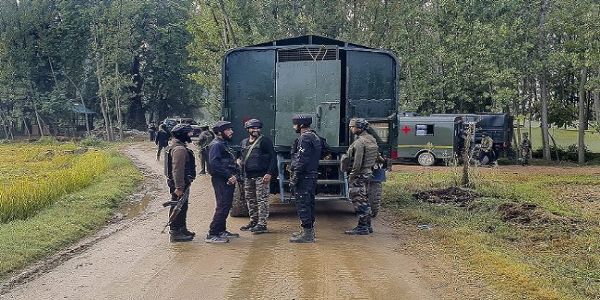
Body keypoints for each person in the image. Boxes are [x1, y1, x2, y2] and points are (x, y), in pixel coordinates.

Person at [341, 118, 379, 235]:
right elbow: (377, 156)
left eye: (352, 127)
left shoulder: (359, 142)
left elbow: (357, 163)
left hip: (360, 175)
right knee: (364, 199)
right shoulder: (371, 139)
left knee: (358, 199)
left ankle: (362, 227)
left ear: (359, 128)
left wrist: (352, 176)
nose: (351, 129)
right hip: (368, 173)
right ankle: (368, 226)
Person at [239, 119, 277, 234]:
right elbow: (241, 156)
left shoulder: (265, 141)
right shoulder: (244, 142)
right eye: (253, 128)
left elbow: (273, 158)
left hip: (262, 176)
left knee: (262, 200)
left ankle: (262, 224)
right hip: (248, 176)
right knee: (250, 200)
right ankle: (253, 221)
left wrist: (269, 173)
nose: (255, 130)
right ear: (248, 129)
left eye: (257, 128)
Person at [205, 120, 240, 243]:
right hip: (221, 179)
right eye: (228, 130)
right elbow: (214, 163)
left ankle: (221, 230)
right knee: (222, 205)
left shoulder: (223, 143)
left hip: (226, 179)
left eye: (231, 129)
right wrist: (229, 175)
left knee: (226, 205)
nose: (232, 132)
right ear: (220, 132)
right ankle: (213, 233)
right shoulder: (216, 145)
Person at [289, 114, 322, 243]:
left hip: (305, 175)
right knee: (309, 202)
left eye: (295, 124)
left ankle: (307, 234)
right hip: (311, 174)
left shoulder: (305, 138)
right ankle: (307, 230)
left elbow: (301, 159)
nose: (294, 127)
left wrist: (295, 176)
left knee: (303, 203)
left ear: (301, 125)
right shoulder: (315, 136)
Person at [164, 124, 196, 242]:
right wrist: (179, 187)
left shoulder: (175, 146)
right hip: (179, 184)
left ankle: (182, 229)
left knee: (182, 207)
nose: (191, 135)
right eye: (188, 133)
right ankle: (175, 232)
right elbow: (177, 169)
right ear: (182, 134)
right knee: (178, 207)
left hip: (179, 183)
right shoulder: (179, 149)